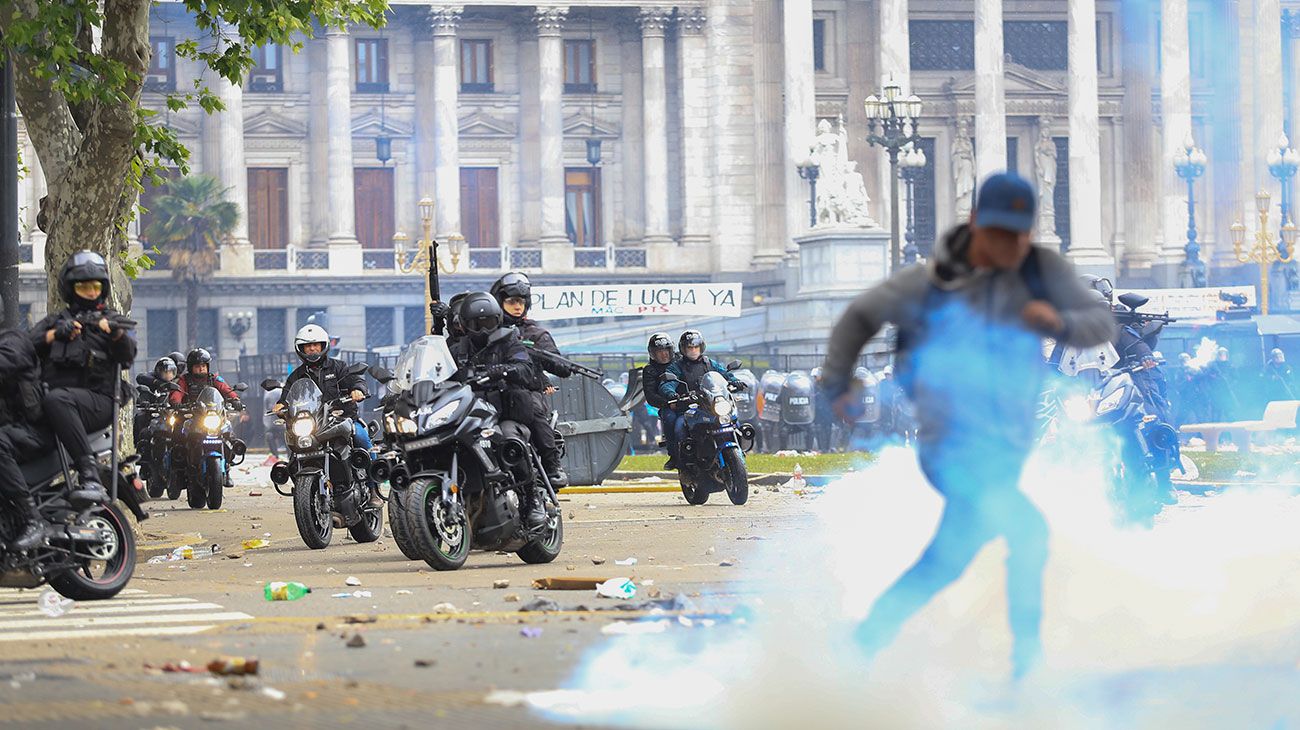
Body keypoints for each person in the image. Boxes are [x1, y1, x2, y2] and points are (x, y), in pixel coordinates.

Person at [819, 172, 1115, 679]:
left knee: (946, 563)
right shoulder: (932, 283)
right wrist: (838, 382)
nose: (1010, 247)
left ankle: (863, 645)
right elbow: (859, 316)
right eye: (999, 235)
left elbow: (1100, 320)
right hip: (952, 446)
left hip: (1003, 446)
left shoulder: (1041, 273)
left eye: (1019, 236)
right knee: (1030, 534)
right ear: (976, 223)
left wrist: (1059, 323)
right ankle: (1027, 668)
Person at [31, 251, 138, 494]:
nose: (91, 292)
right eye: (83, 287)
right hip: (54, 406)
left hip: (98, 402)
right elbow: (26, 345)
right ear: (71, 289)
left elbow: (128, 356)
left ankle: (87, 470)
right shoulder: (57, 321)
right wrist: (54, 334)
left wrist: (114, 333)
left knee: (57, 399)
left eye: (95, 286)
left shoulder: (112, 320)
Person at [452, 292, 550, 528]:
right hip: (471, 415)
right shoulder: (456, 349)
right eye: (477, 324)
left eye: (488, 323)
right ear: (465, 325)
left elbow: (526, 369)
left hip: (504, 412)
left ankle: (531, 500)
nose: (484, 329)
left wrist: (503, 370)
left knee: (509, 441)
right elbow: (438, 373)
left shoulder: (509, 342)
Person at [271, 325, 376, 501]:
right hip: (313, 424)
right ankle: (304, 492)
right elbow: (286, 397)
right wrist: (280, 406)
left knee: (362, 439)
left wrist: (358, 389)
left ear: (323, 346)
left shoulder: (339, 367)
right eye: (308, 346)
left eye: (316, 345)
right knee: (294, 452)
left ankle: (373, 489)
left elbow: (356, 380)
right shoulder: (296, 376)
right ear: (301, 349)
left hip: (343, 419)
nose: (312, 349)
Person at [490, 272, 570, 488]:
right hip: (491, 392)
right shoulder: (487, 330)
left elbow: (558, 364)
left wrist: (546, 357)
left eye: (521, 301)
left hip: (526, 390)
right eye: (512, 301)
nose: (518, 306)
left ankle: (552, 465)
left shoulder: (535, 333)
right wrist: (445, 318)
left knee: (532, 407)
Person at [0, 328, 53, 550]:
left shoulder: (13, 341)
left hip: (36, 430)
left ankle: (32, 518)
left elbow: (5, 363)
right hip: (15, 433)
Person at [659, 331, 746, 463]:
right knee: (679, 426)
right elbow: (667, 383)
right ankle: (683, 460)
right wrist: (671, 393)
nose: (693, 350)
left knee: (734, 421)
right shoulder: (676, 367)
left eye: (696, 347)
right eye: (690, 347)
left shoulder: (709, 363)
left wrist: (735, 381)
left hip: (711, 406)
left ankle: (740, 453)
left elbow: (724, 373)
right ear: (684, 349)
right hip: (689, 408)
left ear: (701, 347)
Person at [640, 333, 679, 469]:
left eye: (666, 351)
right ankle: (674, 455)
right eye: (659, 352)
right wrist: (667, 403)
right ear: (653, 354)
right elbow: (650, 395)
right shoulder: (650, 370)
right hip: (670, 405)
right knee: (669, 418)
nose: (664, 355)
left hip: (692, 400)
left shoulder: (681, 361)